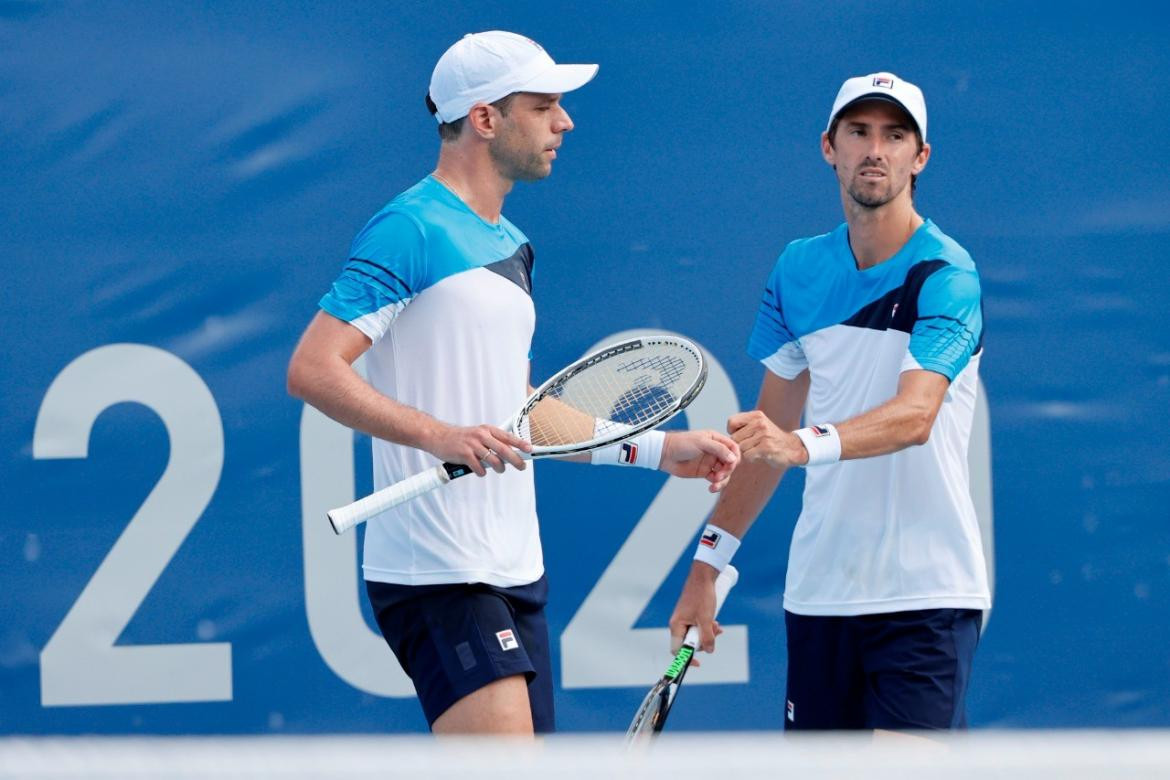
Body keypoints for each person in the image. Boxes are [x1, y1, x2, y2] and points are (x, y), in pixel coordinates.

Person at [286, 30, 739, 736]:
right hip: (437, 572)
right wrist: (441, 435)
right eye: (546, 104)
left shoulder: (512, 245)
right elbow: (312, 369)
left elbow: (523, 417)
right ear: (485, 118)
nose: (566, 122)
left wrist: (660, 450)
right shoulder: (409, 228)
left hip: (514, 570)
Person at [669, 72, 989, 732]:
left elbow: (916, 414)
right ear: (829, 147)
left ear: (919, 156)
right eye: (860, 132)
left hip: (926, 596)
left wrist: (800, 445)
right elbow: (767, 441)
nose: (877, 149)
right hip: (821, 595)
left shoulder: (947, 274)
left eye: (895, 135)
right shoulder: (797, 269)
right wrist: (705, 568)